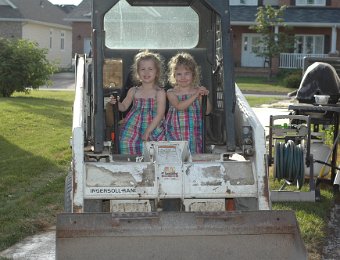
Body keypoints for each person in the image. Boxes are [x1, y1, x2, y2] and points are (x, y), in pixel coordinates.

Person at [109, 50, 166, 155]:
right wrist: (116, 103)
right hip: (133, 125)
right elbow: (124, 106)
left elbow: (160, 114)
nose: (146, 72)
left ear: (157, 72)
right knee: (125, 143)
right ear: (138, 72)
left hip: (153, 125)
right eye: (142, 69)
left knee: (153, 148)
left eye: (150, 69)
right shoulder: (133, 90)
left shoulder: (159, 92)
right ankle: (130, 167)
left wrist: (148, 131)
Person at [165, 52, 212, 154]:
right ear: (174, 76)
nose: (183, 77)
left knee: (193, 154)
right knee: (175, 154)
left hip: (193, 131)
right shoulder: (171, 92)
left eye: (187, 73)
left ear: (193, 74)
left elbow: (207, 111)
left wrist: (204, 96)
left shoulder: (197, 91)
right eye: (179, 74)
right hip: (175, 131)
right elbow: (179, 106)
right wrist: (195, 95)